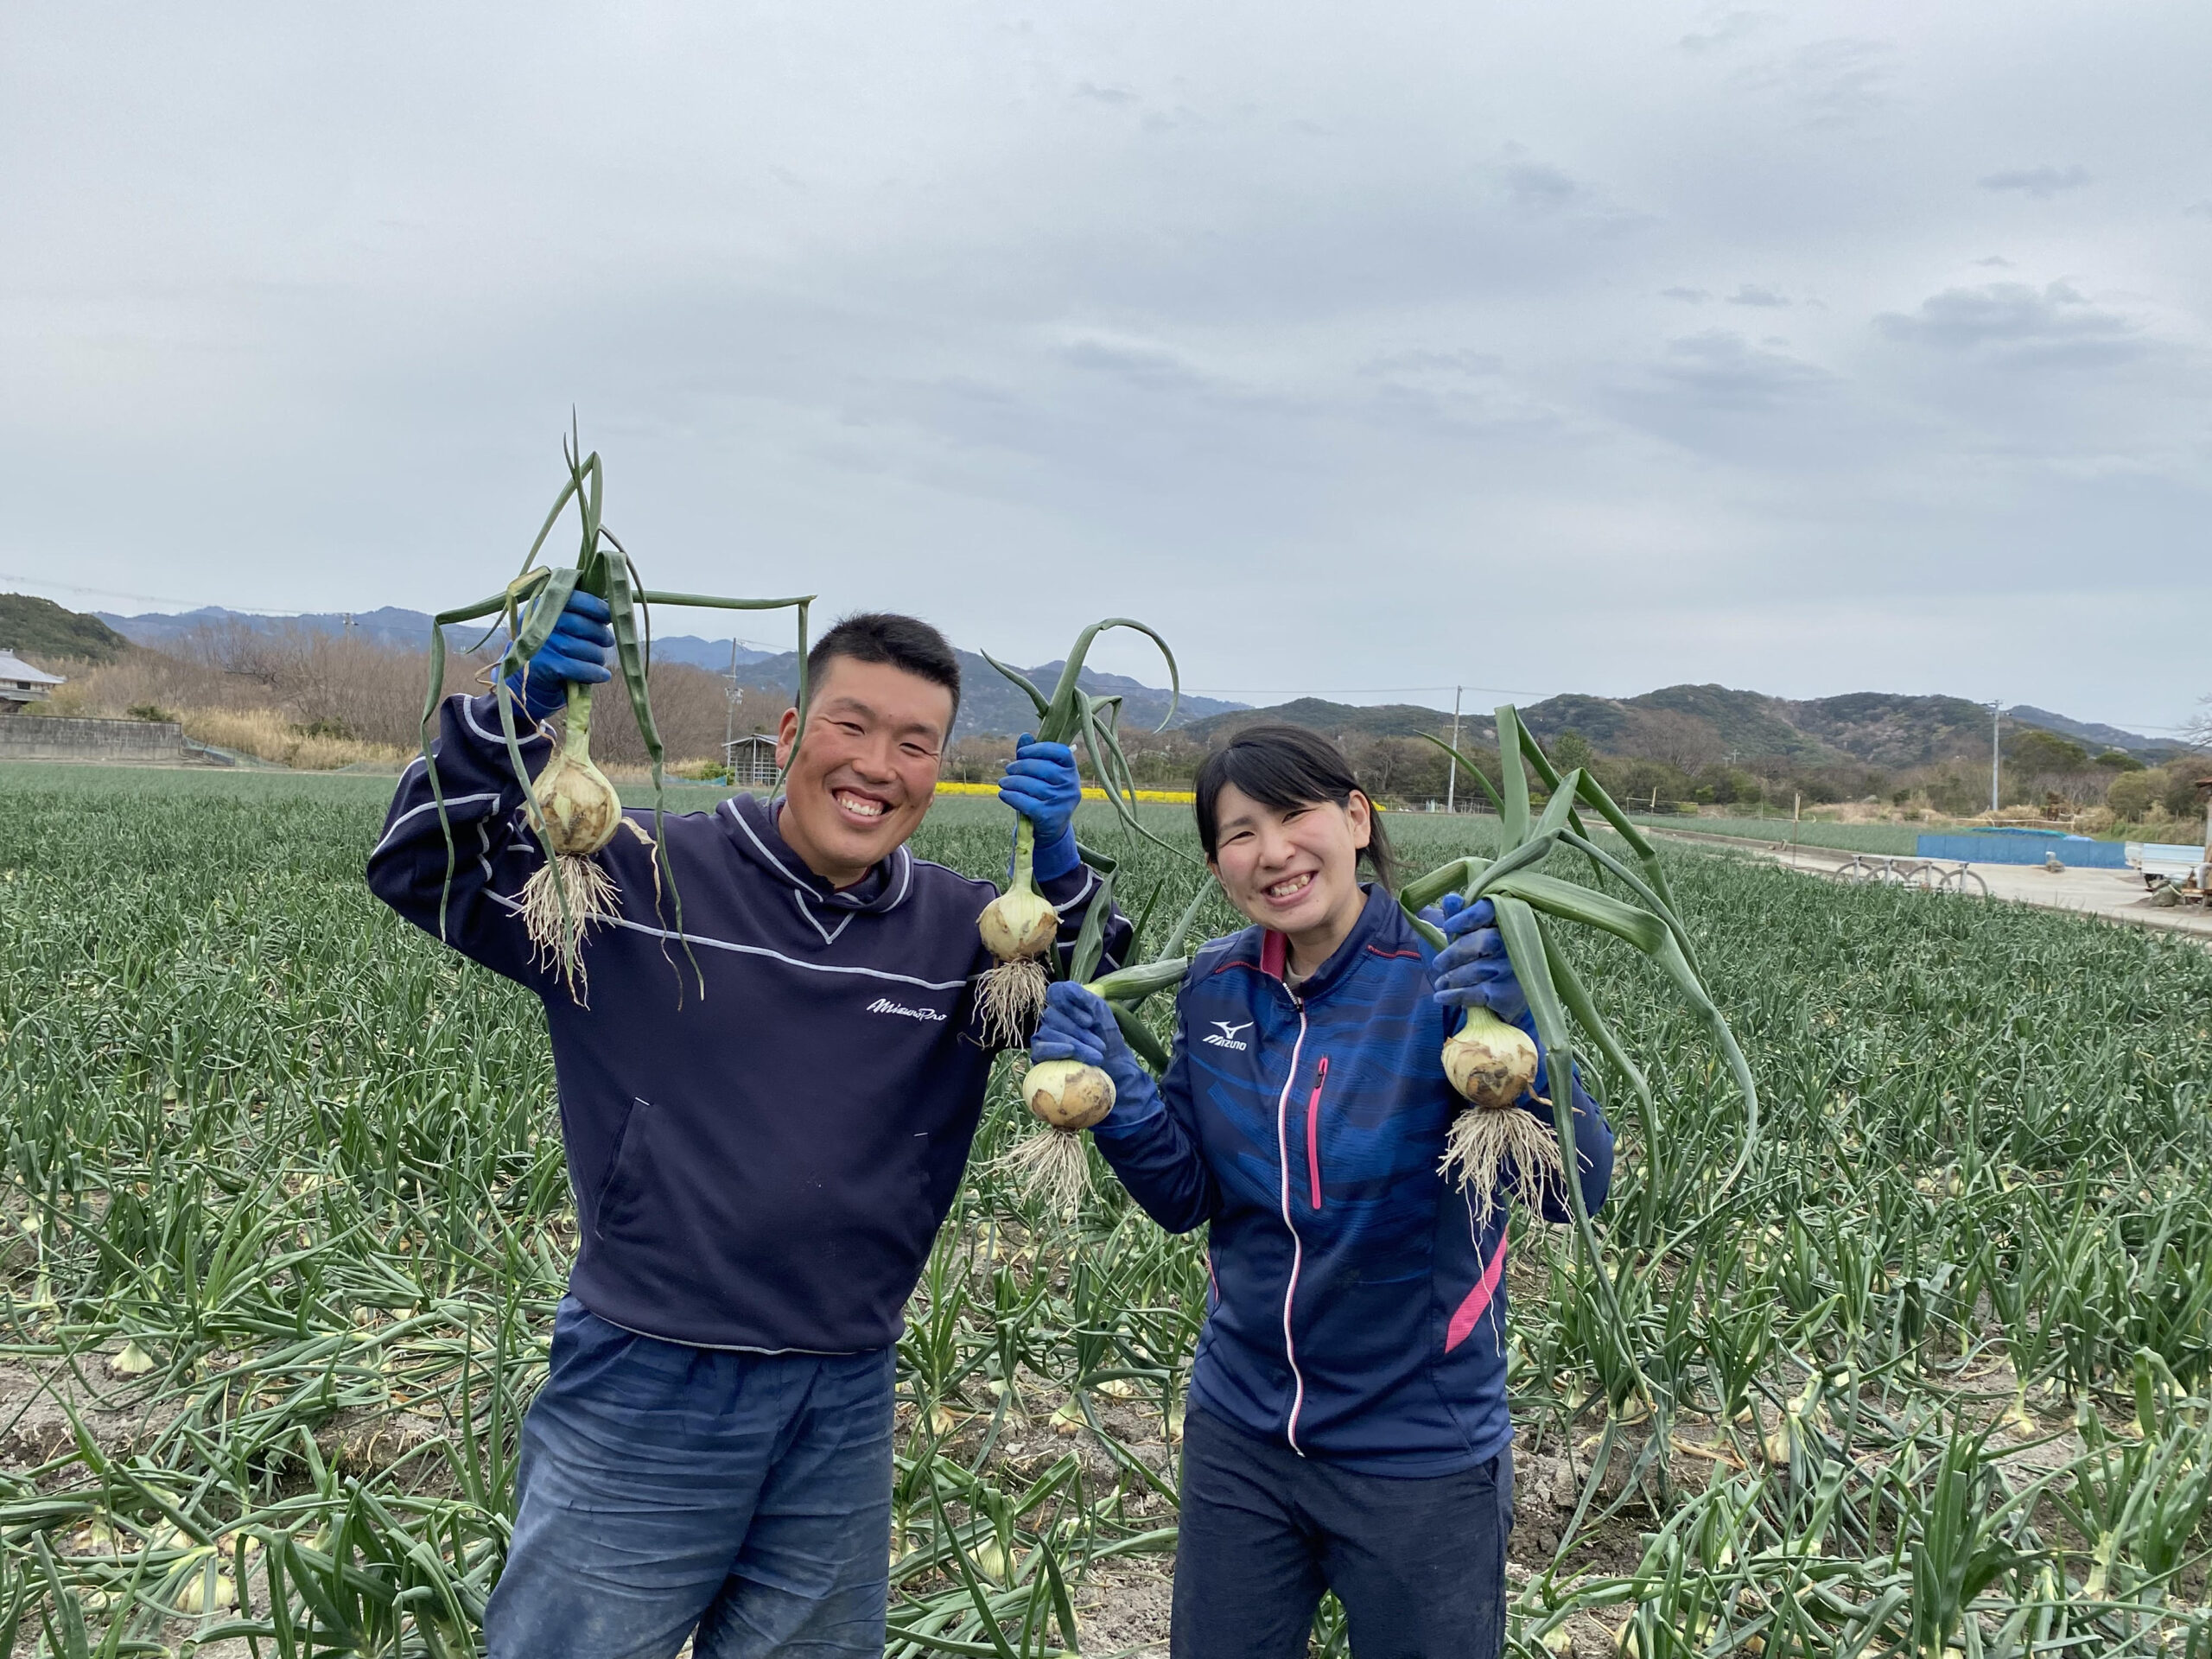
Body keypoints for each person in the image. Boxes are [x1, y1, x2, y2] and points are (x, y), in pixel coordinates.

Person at [367, 594, 1125, 1659]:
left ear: (941, 769)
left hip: (845, 1390)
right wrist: (516, 711)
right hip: (647, 1377)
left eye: (915, 744)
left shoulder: (967, 935)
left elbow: (1105, 1003)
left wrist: (1055, 865)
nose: (877, 765)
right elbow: (420, 867)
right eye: (850, 726)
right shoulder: (630, 876)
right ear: (788, 737)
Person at [1029, 724, 1613, 1659]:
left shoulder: (1446, 979)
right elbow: (1186, 1196)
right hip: (1241, 1438)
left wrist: (1529, 1046)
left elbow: (1575, 1189)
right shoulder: (1216, 985)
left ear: (1353, 817)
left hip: (1418, 1448)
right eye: (1238, 833)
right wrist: (1115, 1091)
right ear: (1217, 861)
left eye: (1295, 814)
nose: (1273, 853)